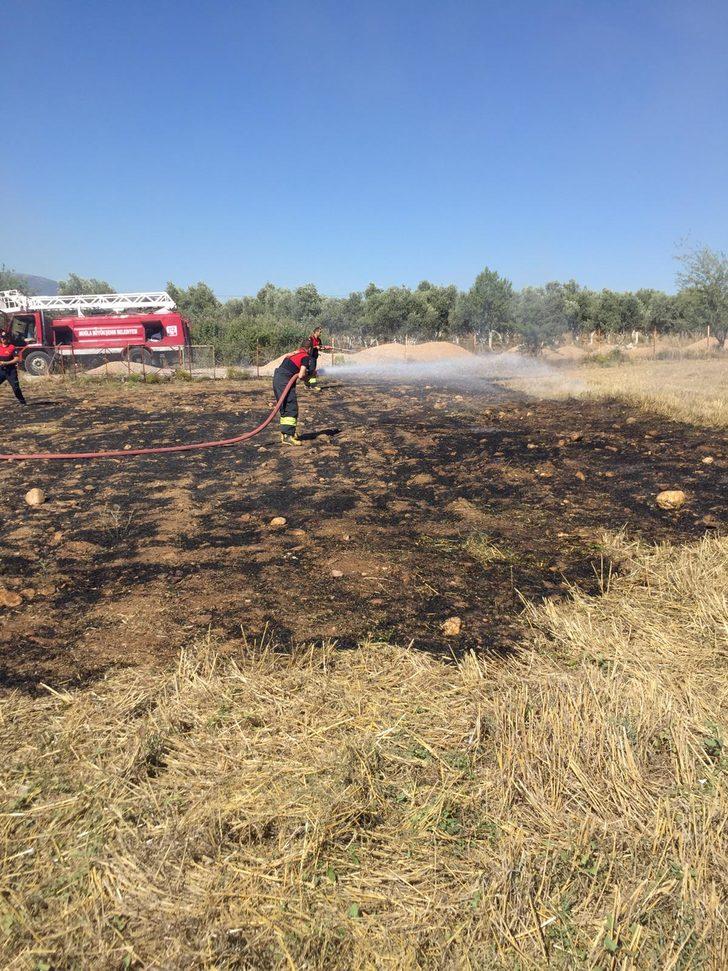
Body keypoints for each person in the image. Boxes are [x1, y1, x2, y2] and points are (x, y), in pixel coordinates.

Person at [272, 347, 313, 446]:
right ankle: (287, 436)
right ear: (309, 348)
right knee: (291, 407)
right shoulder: (305, 356)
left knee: (285, 406)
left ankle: (287, 433)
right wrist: (310, 376)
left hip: (278, 378)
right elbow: (301, 375)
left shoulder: (294, 354)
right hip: (284, 380)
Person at [0, 331, 27, 406]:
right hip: (1, 371)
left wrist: (6, 363)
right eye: (2, 338)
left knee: (15, 387)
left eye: (5, 338)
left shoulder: (12, 347)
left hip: (11, 371)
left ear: (8, 338)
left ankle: (22, 402)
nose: (3, 339)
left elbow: (16, 359)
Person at [305, 327, 332, 392]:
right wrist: (314, 347)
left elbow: (320, 348)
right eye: (320, 332)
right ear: (316, 332)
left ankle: (307, 384)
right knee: (312, 371)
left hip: (314, 357)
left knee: (311, 371)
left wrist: (326, 347)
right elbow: (306, 347)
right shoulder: (310, 339)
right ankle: (313, 385)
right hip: (309, 357)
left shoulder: (319, 340)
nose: (321, 333)